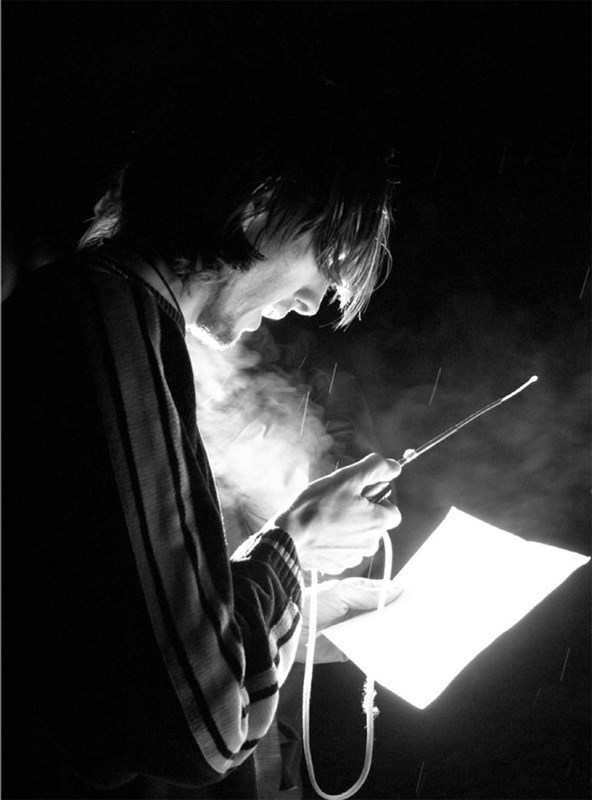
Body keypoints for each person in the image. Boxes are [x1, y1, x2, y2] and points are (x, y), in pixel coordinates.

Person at [2, 69, 401, 799]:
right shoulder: (107, 327)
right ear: (259, 204)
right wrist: (295, 541)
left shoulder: (109, 316)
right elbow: (203, 729)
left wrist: (293, 608)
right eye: (327, 257)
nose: (316, 299)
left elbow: (104, 639)